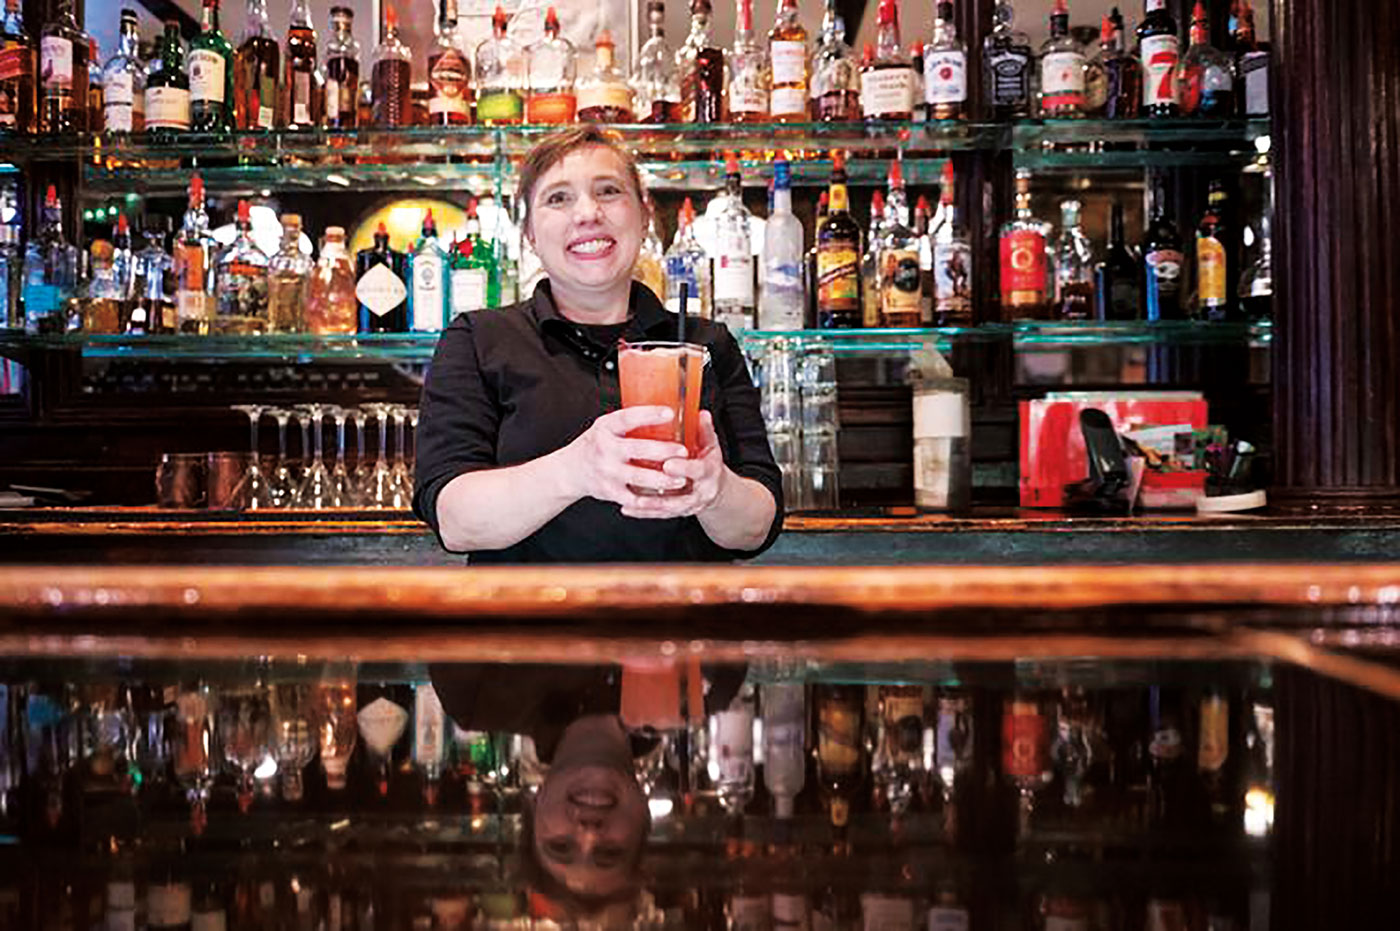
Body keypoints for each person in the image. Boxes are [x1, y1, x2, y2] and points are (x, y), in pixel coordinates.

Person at [413, 127, 782, 562]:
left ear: (644, 216)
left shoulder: (706, 344)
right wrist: (576, 469)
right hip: (531, 626)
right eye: (558, 198)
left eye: (608, 191)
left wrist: (715, 490)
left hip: (686, 624)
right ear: (529, 232)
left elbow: (757, 527)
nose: (587, 213)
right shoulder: (478, 339)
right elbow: (455, 522)